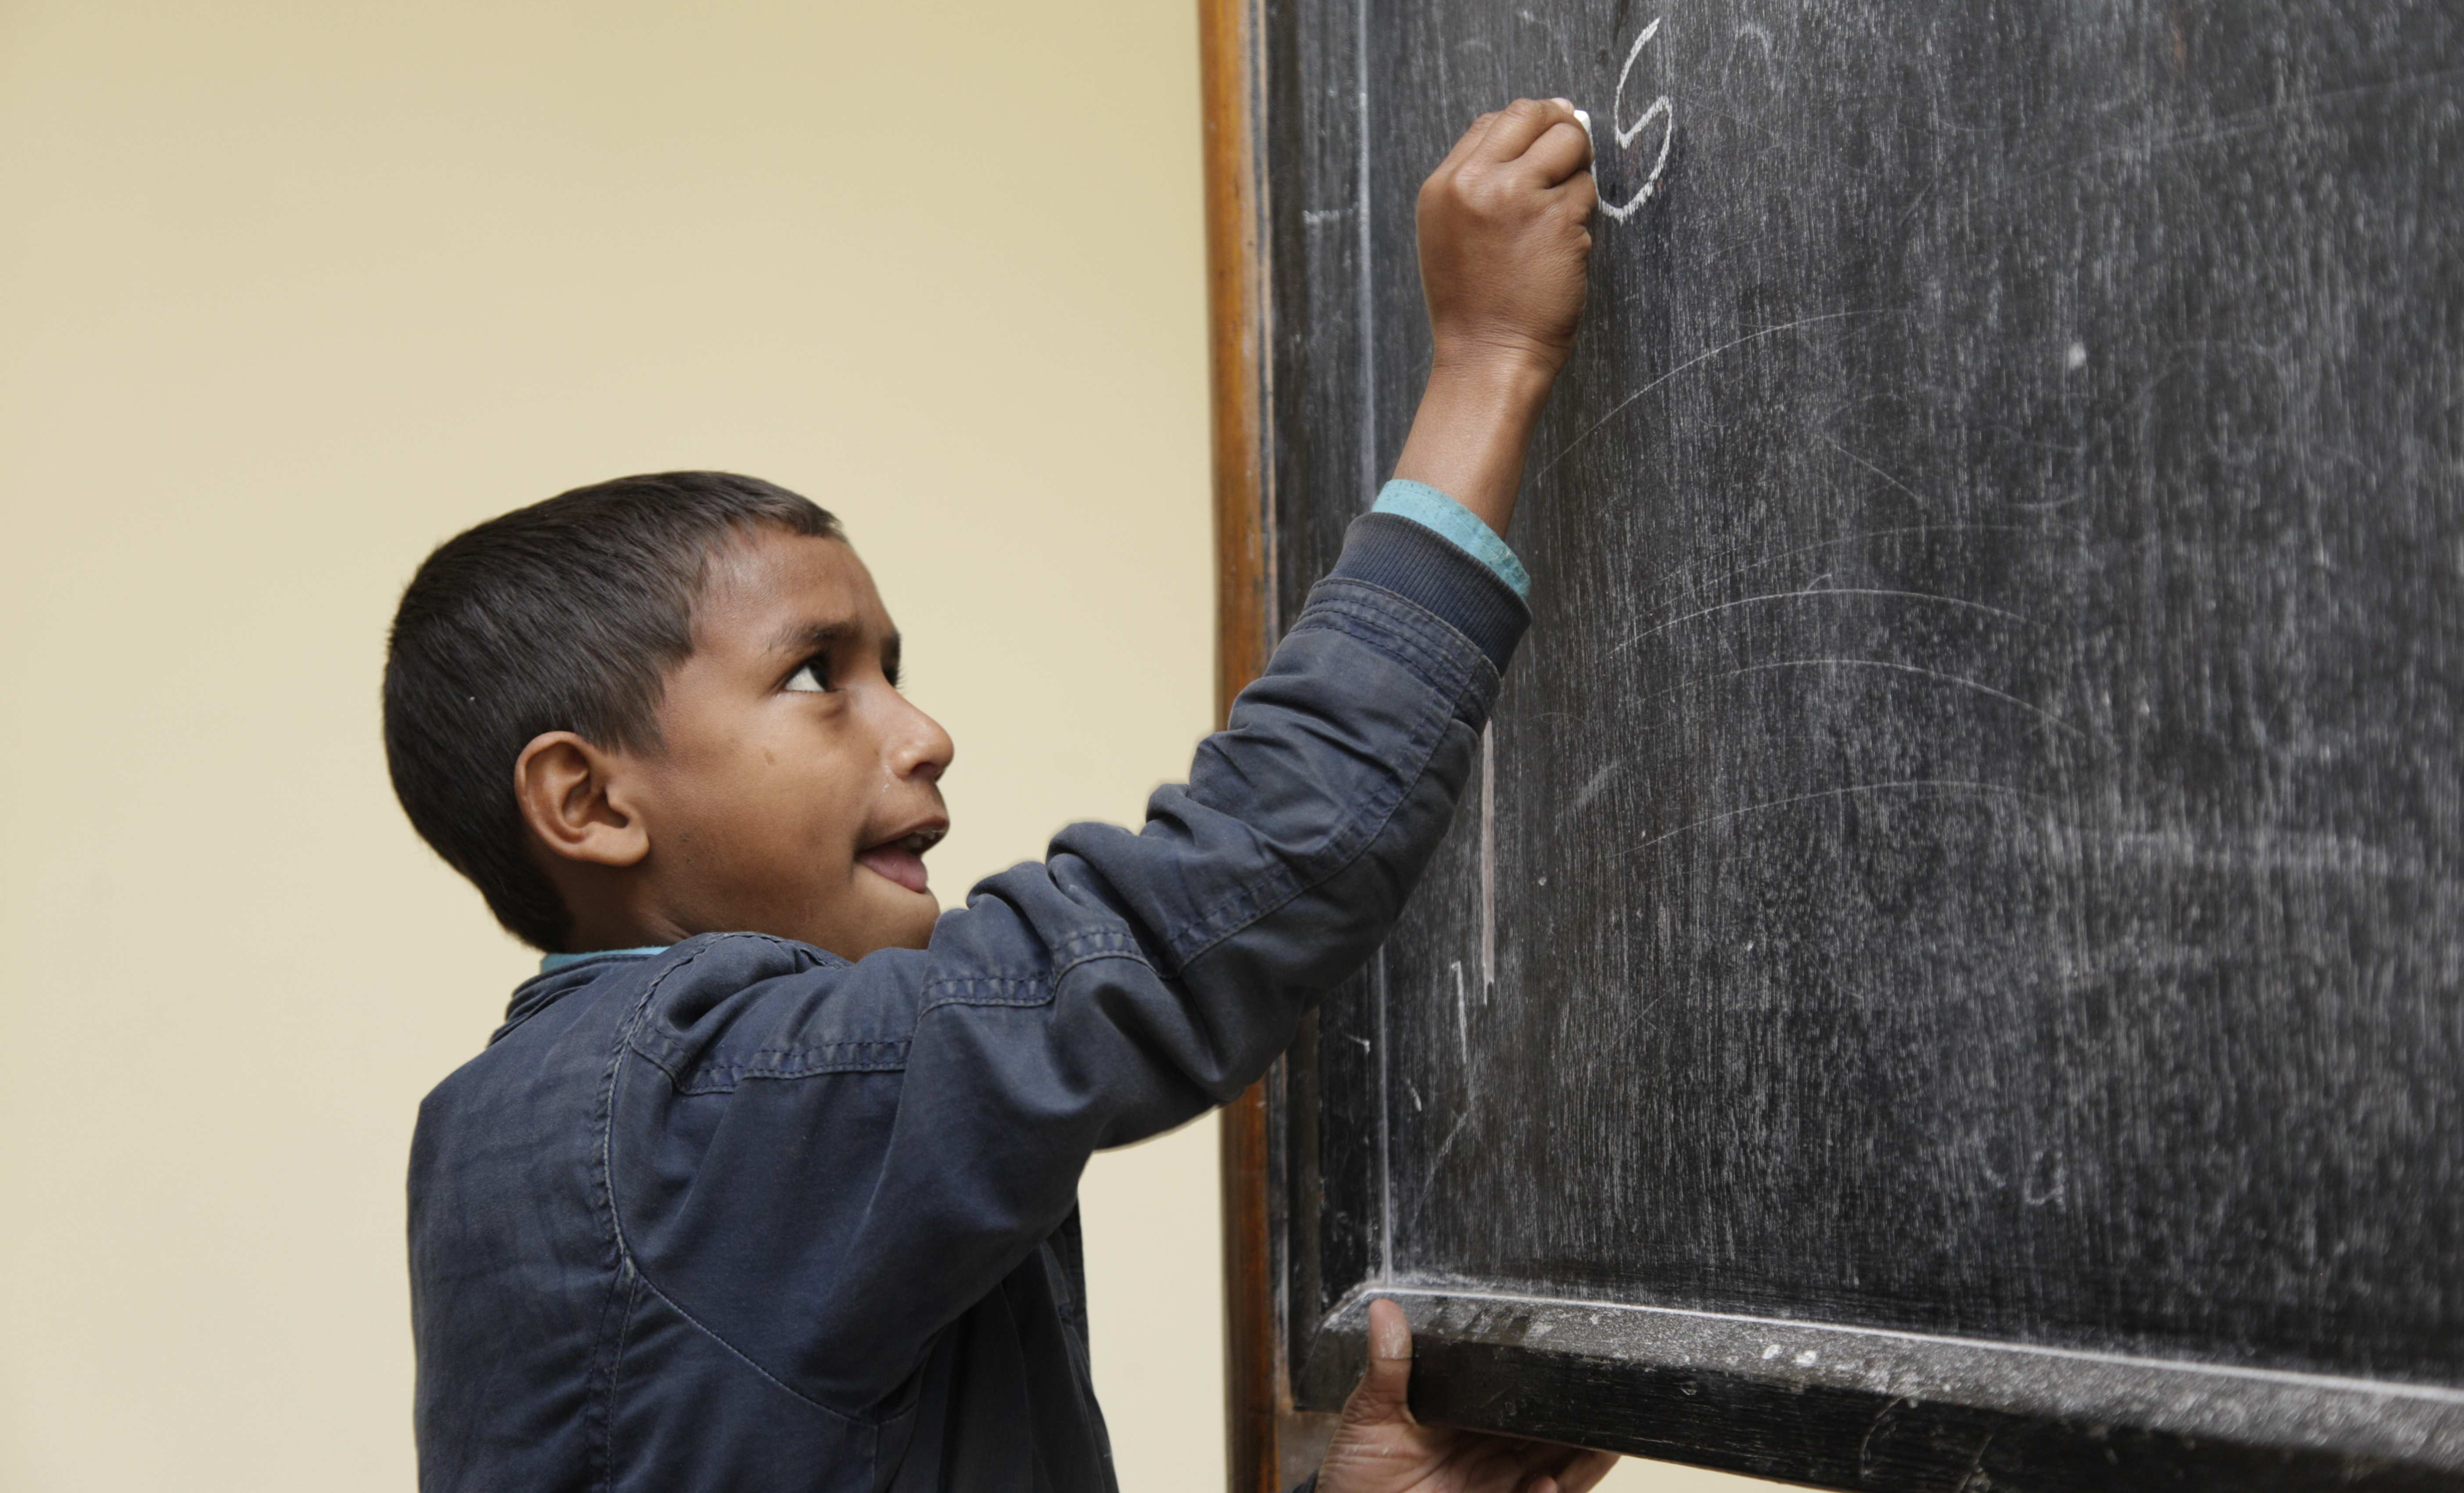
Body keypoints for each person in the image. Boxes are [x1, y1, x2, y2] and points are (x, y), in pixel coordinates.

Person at [388, 97, 1614, 1493]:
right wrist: (1489, 364)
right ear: (589, 803)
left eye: (895, 672)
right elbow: (1215, 898)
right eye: (815, 675)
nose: (926, 735)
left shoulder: (549, 1130)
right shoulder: (706, 1107)